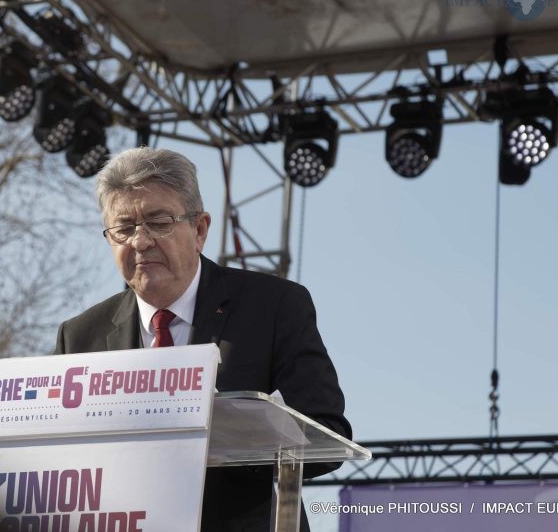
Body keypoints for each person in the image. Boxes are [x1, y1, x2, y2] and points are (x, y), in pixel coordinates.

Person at [55, 147, 351, 532]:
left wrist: (230, 433)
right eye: (124, 229)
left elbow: (327, 433)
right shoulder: (79, 336)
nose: (140, 242)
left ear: (199, 230)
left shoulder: (273, 306)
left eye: (158, 222)